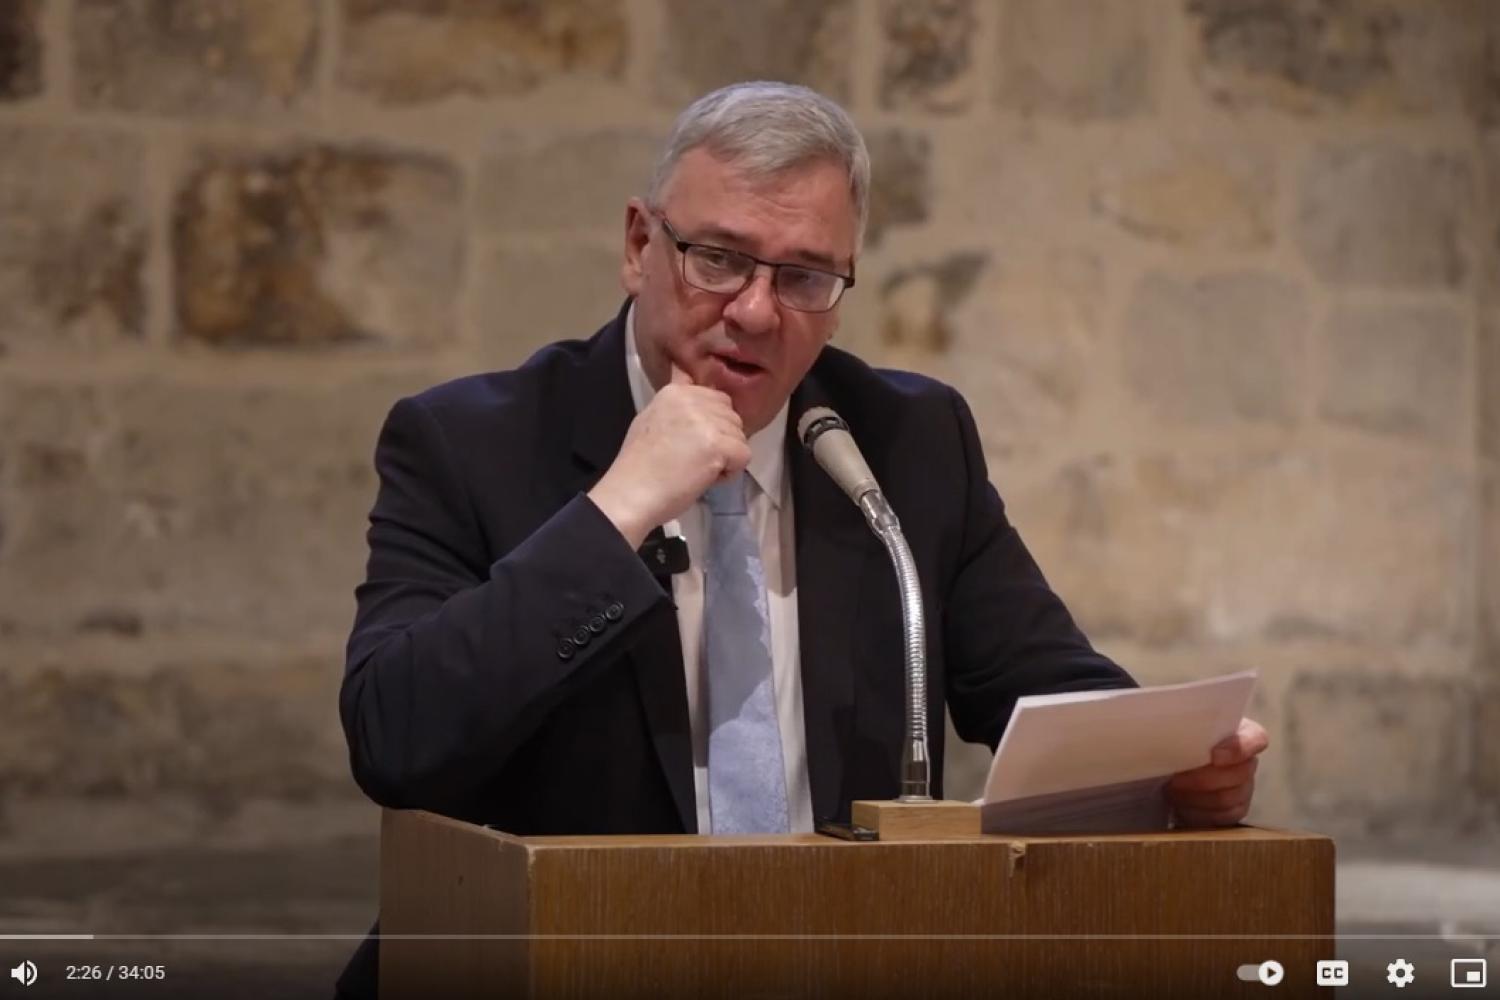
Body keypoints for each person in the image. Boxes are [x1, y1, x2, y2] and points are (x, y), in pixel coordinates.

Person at [334, 81, 1268, 998]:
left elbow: (1046, 685)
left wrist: (1172, 769)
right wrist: (616, 509)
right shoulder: (469, 442)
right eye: (718, 260)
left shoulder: (906, 441)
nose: (753, 311)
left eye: (804, 277)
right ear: (638, 245)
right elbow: (396, 738)